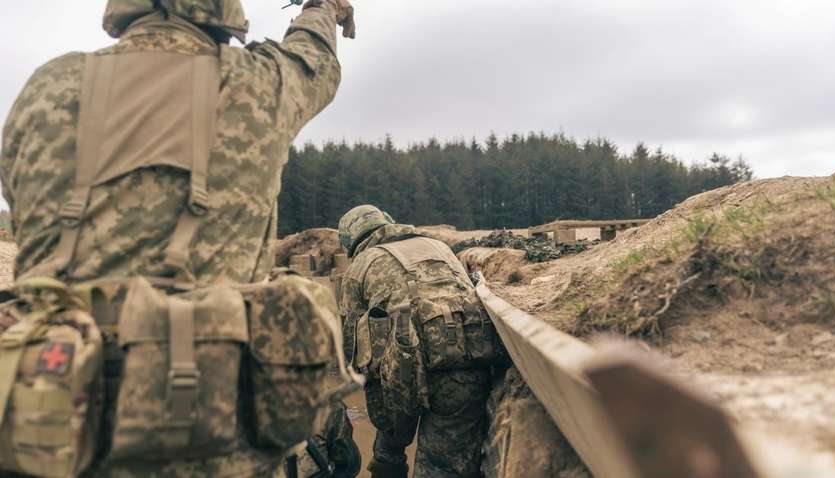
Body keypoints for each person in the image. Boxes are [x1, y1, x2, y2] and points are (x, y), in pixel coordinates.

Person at [0, 0, 356, 476]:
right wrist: (325, 8)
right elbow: (311, 57)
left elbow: (21, 210)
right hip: (205, 430)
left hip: (47, 415)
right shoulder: (258, 83)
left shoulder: (46, 87)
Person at [337, 205, 502, 478]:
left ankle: (387, 461)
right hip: (464, 367)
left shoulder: (359, 267)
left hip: (401, 377)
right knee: (445, 467)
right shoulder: (440, 249)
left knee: (389, 443)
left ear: (350, 242)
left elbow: (352, 347)